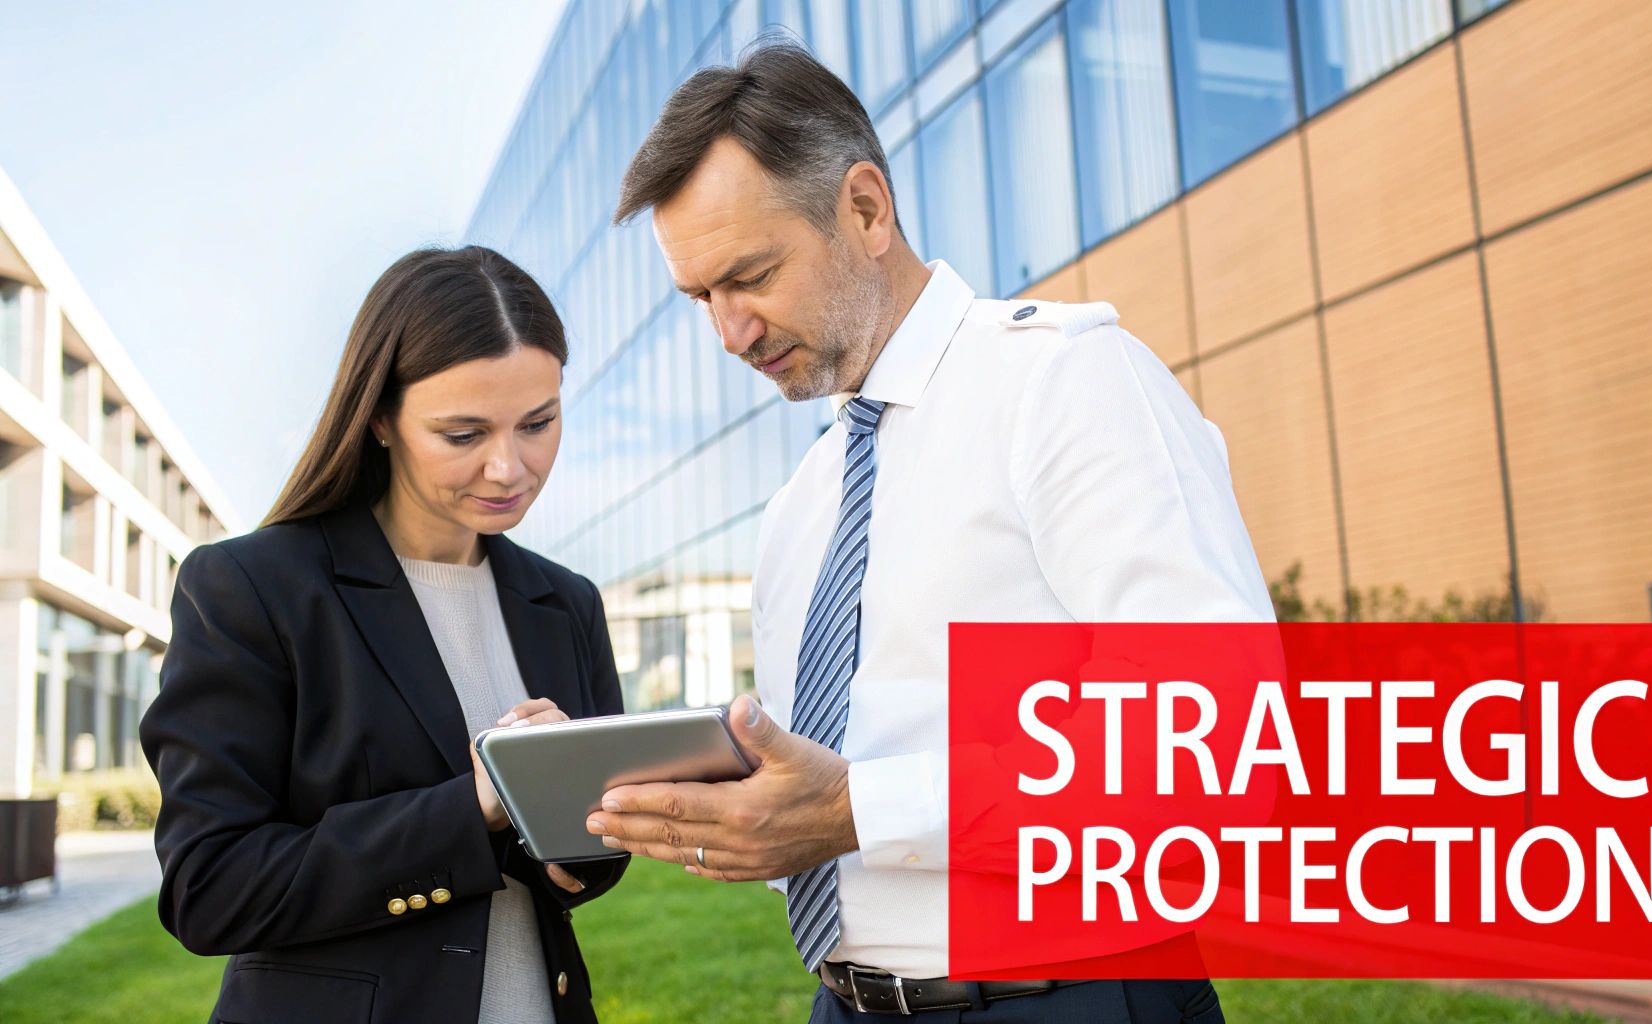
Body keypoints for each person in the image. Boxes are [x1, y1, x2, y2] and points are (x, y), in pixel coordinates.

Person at [586, 43, 1270, 1022]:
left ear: (864, 209)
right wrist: (732, 815)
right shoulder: (800, 506)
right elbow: (823, 783)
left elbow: (1213, 728)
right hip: (846, 1003)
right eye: (701, 297)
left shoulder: (1059, 381)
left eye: (751, 275)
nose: (728, 333)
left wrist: (854, 808)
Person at [141, 246, 627, 1024]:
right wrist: (474, 806)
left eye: (538, 422)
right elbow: (210, 887)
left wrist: (588, 830)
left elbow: (588, 863)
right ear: (378, 420)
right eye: (463, 434)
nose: (510, 467)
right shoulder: (254, 589)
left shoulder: (565, 603)